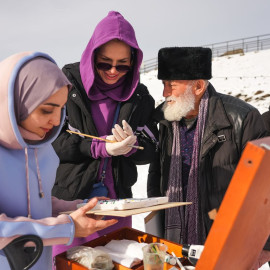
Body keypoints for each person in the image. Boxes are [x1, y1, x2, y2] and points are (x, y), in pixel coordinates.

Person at [147, 47, 270, 268]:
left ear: (198, 86)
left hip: (227, 244)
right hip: (175, 246)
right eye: (163, 84)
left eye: (171, 85)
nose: (165, 93)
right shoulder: (165, 121)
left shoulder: (241, 118)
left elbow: (265, 188)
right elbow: (156, 176)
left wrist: (265, 247)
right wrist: (156, 232)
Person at [51, 11, 157, 255]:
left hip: (117, 206)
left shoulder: (139, 96)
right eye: (104, 63)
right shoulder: (67, 85)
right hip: (70, 205)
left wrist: (131, 146)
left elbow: (152, 148)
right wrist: (100, 148)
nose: (112, 71)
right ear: (92, 56)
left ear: (134, 62)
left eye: (122, 65)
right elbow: (52, 141)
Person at [0, 51, 118, 270]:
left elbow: (35, 204)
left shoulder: (42, 150)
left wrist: (79, 207)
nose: (56, 121)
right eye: (47, 109)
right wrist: (67, 227)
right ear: (15, 101)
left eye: (61, 109)